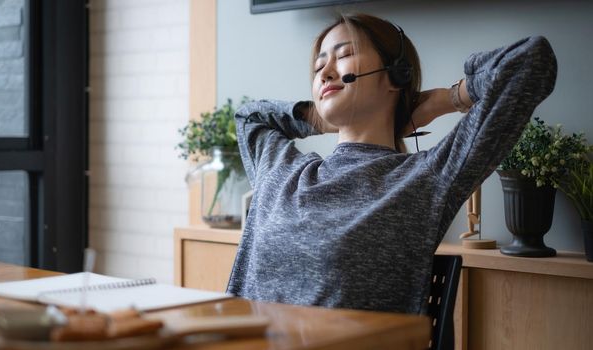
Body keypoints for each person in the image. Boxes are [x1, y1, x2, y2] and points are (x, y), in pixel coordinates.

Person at [226, 13, 557, 314]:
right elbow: (249, 118)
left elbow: (531, 61)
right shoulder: (282, 173)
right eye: (318, 67)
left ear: (396, 75)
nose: (325, 72)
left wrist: (448, 98)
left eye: (343, 56)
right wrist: (325, 117)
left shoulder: (425, 178)